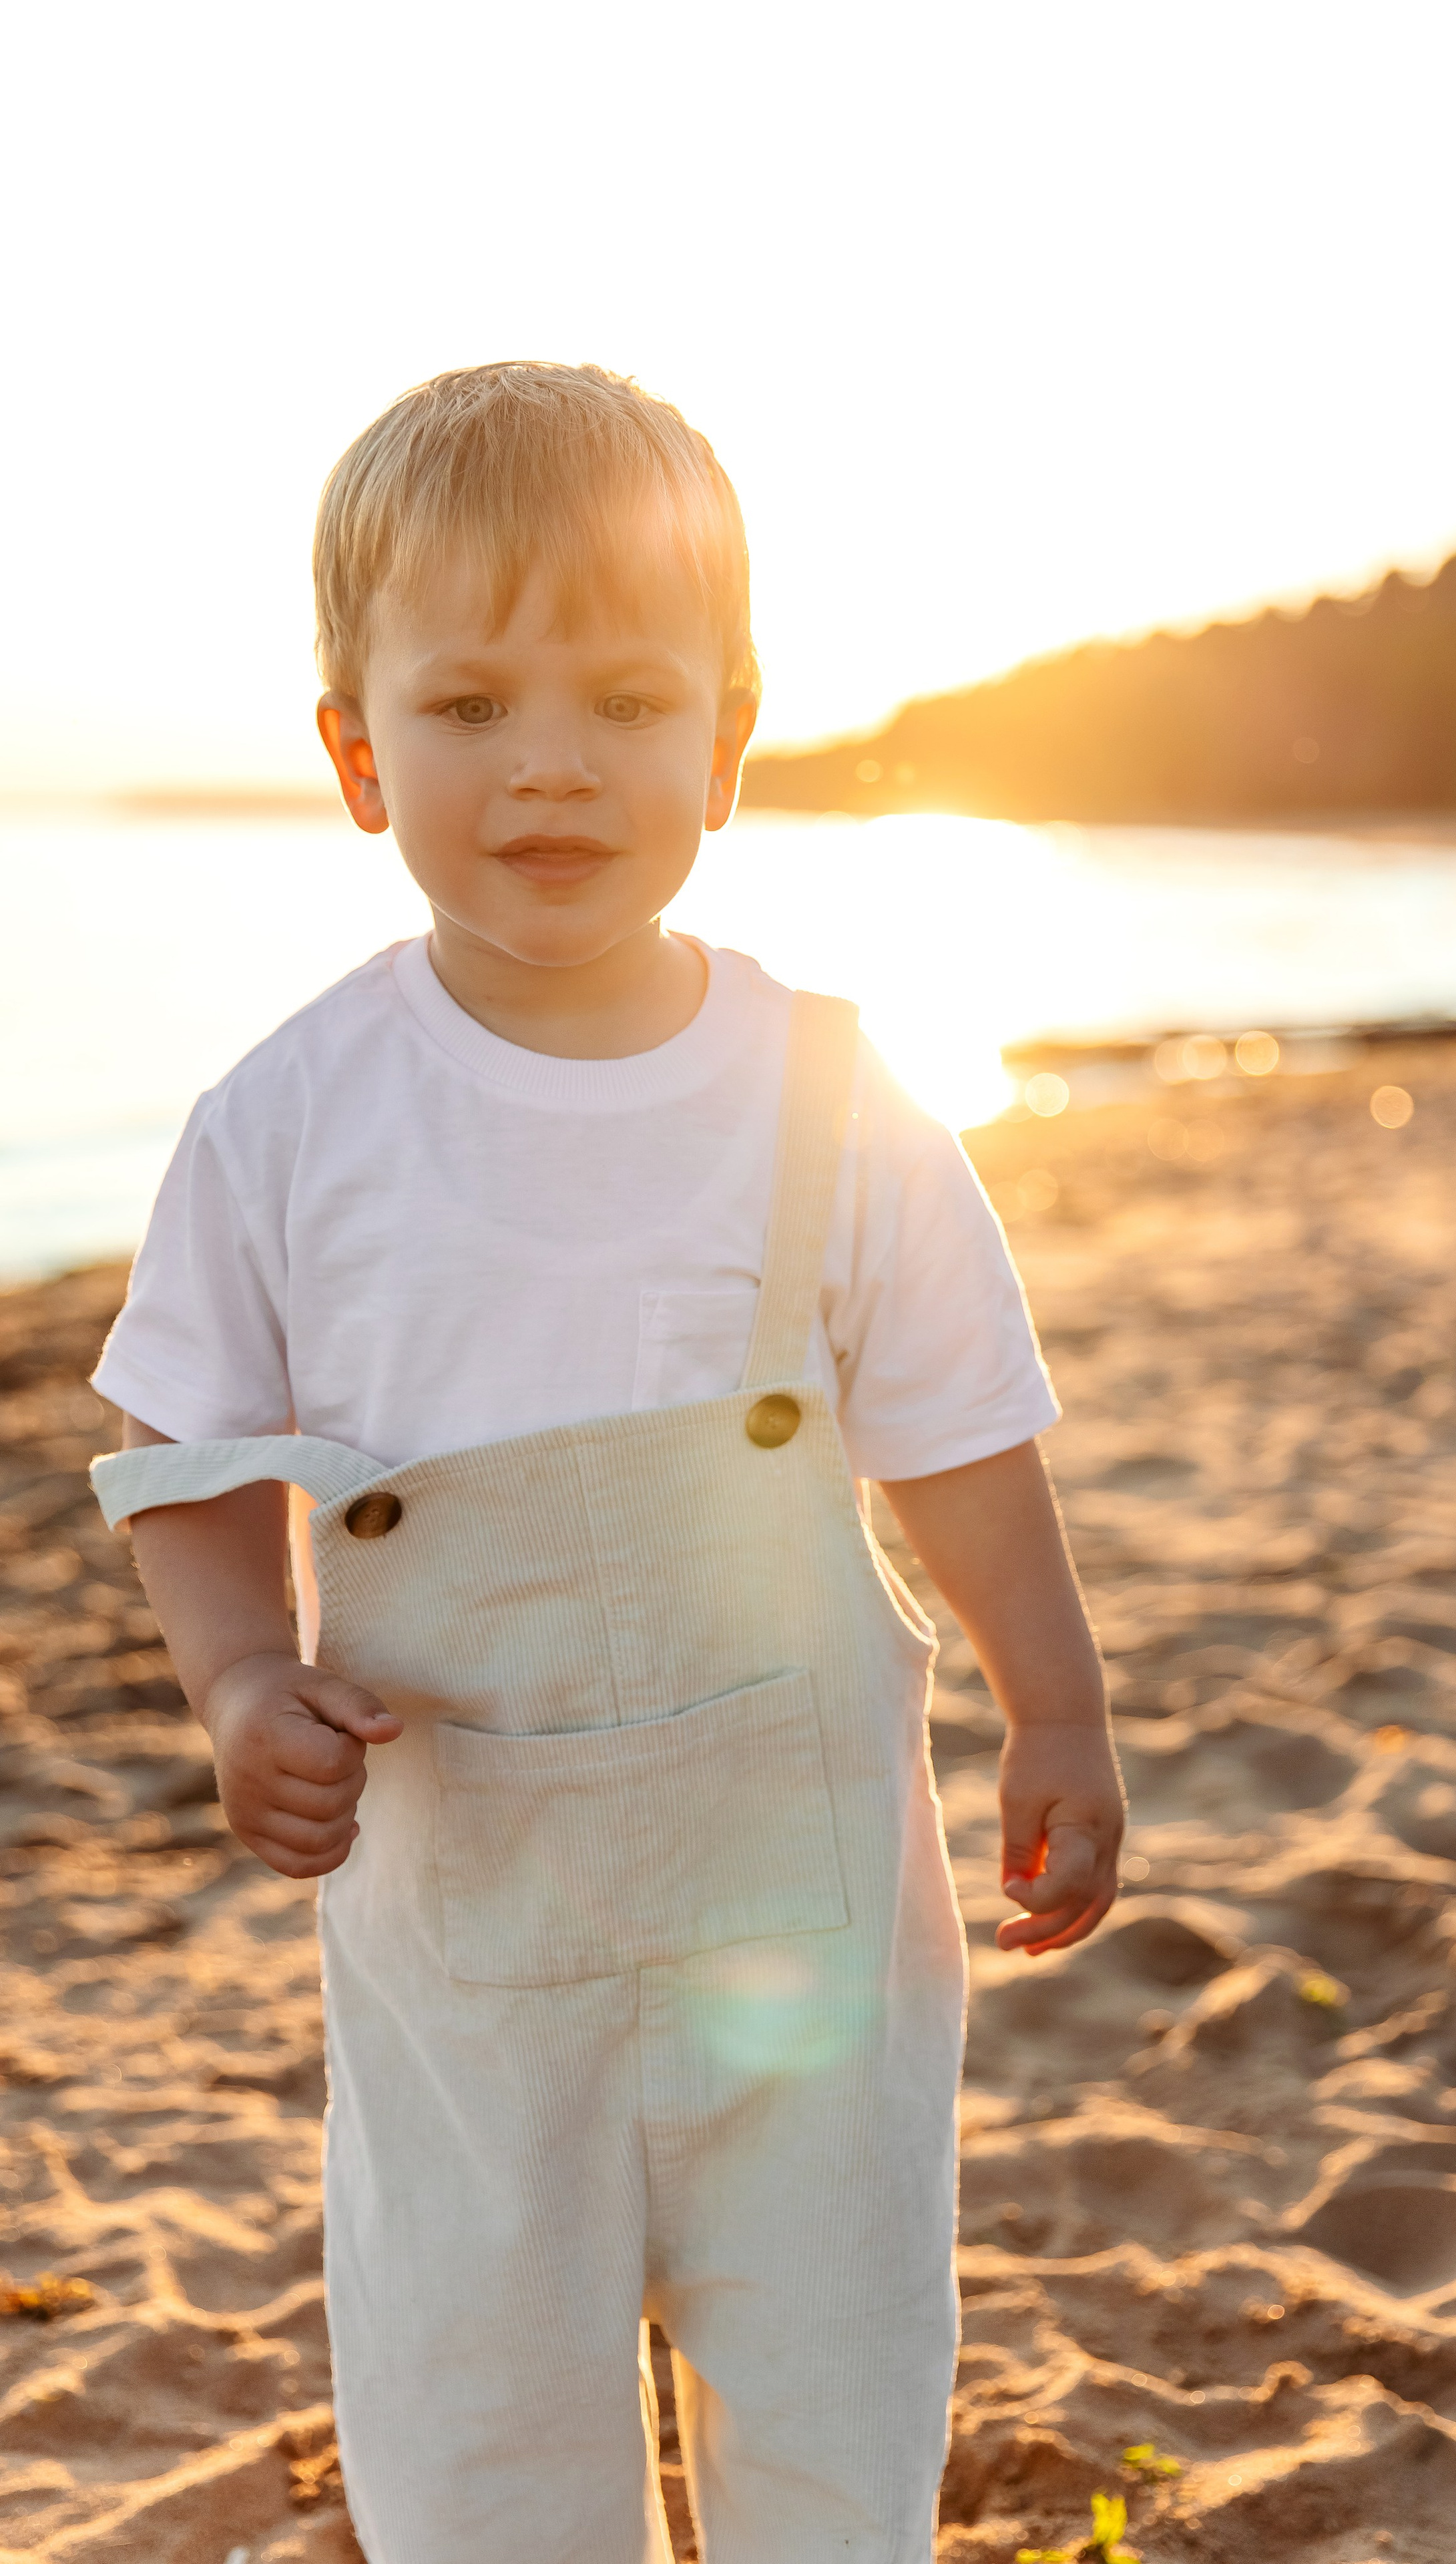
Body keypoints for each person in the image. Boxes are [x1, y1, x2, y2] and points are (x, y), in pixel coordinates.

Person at [87, 361, 1125, 2563]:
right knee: (478, 2440)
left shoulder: (843, 1107)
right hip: (466, 1931)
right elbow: (175, 1442)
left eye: (627, 701)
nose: (551, 761)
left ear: (728, 744)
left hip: (808, 1927)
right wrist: (238, 1683)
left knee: (837, 2403)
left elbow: (961, 1436)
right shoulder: (286, 1125)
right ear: (358, 757)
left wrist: (1059, 1701)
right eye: (466, 704)